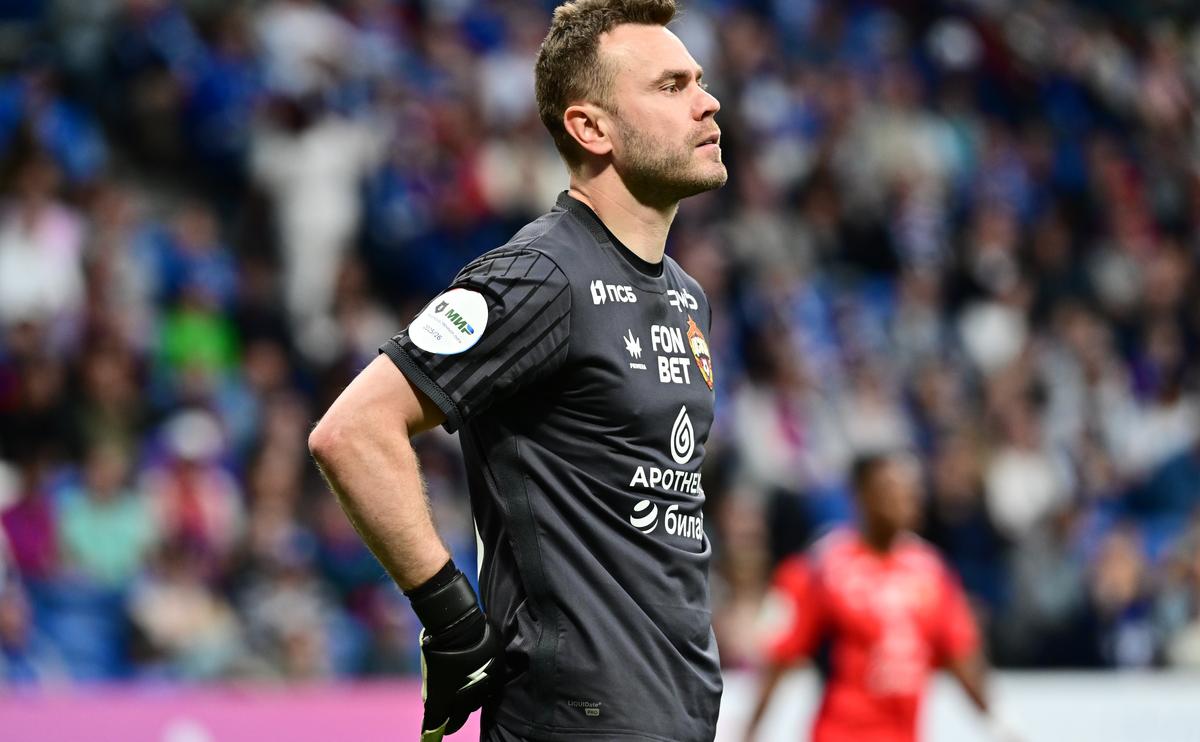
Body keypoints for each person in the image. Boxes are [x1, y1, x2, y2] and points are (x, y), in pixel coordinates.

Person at [308, 1, 727, 740]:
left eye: (697, 80)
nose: (707, 101)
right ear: (590, 128)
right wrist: (450, 616)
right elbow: (353, 430)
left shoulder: (686, 296)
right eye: (670, 86)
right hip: (570, 721)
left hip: (674, 714)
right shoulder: (540, 276)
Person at [743, 452, 1012, 742]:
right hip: (840, 734)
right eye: (890, 490)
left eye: (910, 490)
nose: (904, 500)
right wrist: (750, 731)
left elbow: (962, 658)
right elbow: (778, 658)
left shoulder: (932, 571)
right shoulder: (823, 567)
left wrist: (1001, 725)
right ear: (862, 496)